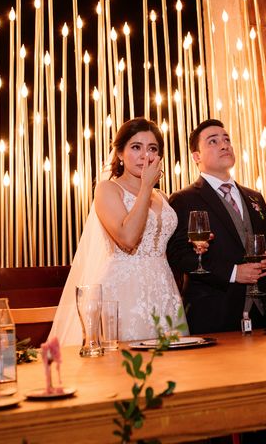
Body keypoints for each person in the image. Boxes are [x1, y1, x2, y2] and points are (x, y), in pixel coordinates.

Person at [50, 118, 195, 345]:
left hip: (164, 288)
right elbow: (128, 239)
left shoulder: (164, 197)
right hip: (124, 290)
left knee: (170, 368)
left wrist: (195, 246)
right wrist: (146, 187)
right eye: (136, 147)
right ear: (119, 153)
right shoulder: (108, 189)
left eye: (152, 149)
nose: (144, 155)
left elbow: (169, 247)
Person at [167, 119, 266, 334]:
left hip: (263, 312)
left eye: (226, 140)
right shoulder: (183, 199)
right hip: (214, 312)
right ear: (196, 156)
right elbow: (178, 254)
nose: (224, 145)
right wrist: (233, 273)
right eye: (213, 141)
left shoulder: (254, 197)